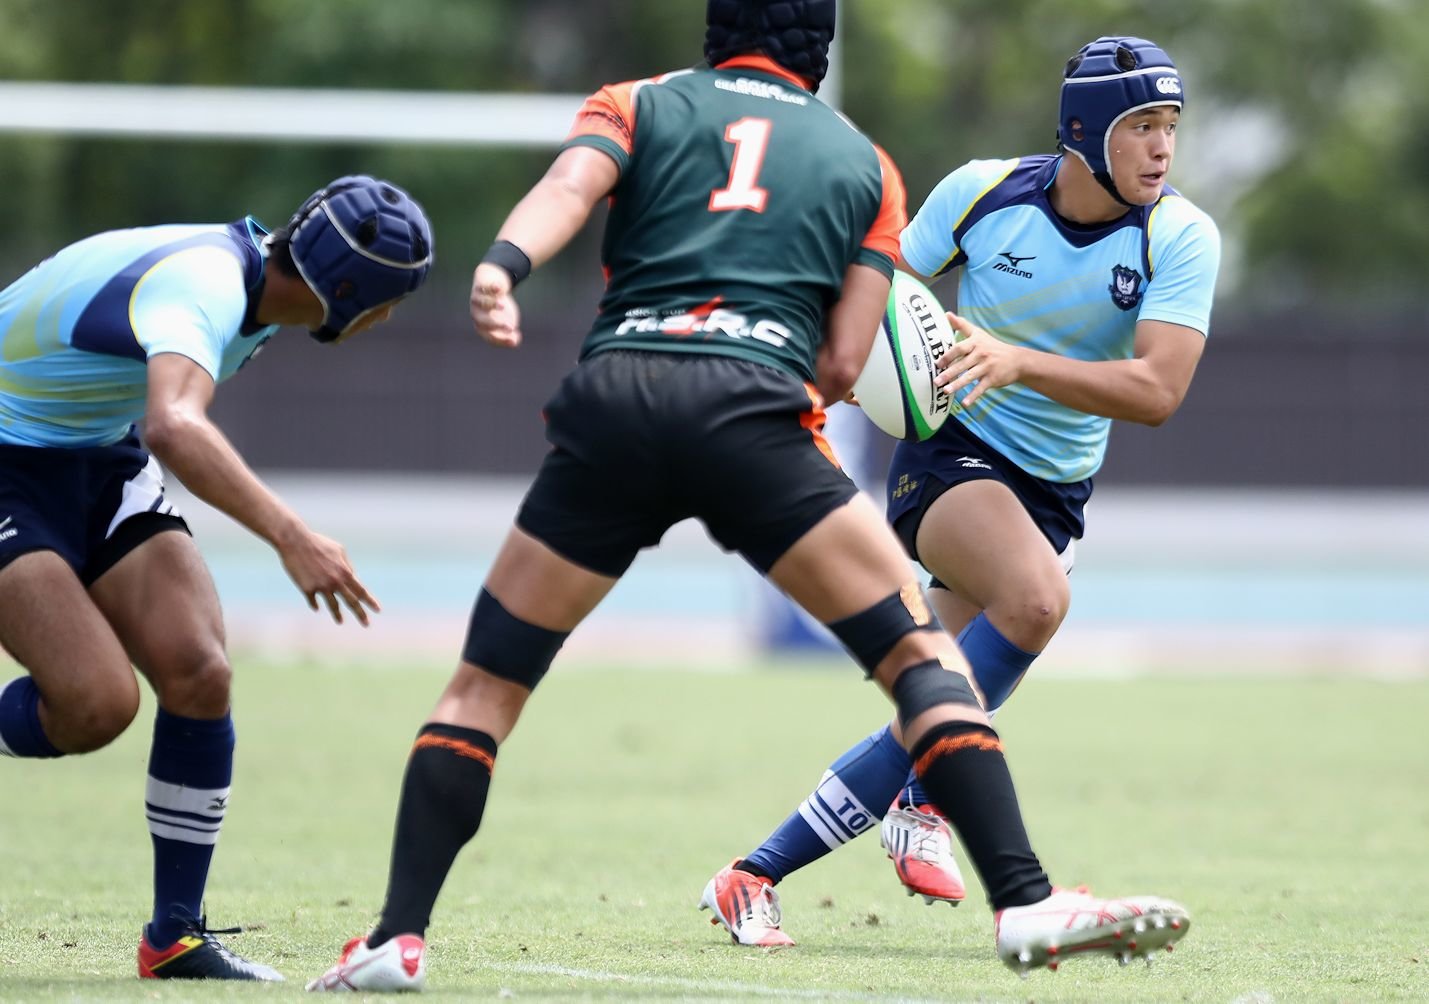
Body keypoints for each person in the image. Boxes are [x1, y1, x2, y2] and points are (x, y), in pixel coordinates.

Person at [307, 7, 1192, 993]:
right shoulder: (862, 162)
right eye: (1143, 125)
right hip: (758, 417)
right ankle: (1022, 899)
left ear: (713, 31)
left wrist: (502, 266)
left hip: (616, 403)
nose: (1161, 145)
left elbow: (566, 185)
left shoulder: (635, 103)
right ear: (819, 54)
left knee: (481, 689)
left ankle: (398, 936)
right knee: (922, 661)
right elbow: (849, 361)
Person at [710, 33, 1221, 936]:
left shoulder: (1179, 235)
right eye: (1141, 124)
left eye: (1169, 125)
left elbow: (1157, 392)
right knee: (1035, 601)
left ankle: (752, 874)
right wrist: (826, 370)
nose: (1161, 147)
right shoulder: (982, 191)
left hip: (1055, 492)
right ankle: (925, 806)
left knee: (933, 698)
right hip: (951, 453)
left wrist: (1016, 360)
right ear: (1086, 127)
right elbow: (877, 289)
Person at [0, 175, 434, 981]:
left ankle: (174, 938)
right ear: (344, 294)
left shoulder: (259, 291)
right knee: (95, 704)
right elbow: (173, 423)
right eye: (389, 300)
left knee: (199, 672)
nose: (388, 319)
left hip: (93, 454)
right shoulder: (203, 285)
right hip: (6, 457)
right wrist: (290, 534)